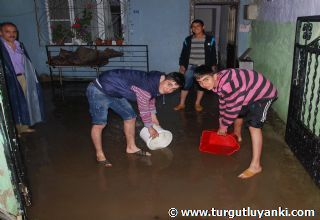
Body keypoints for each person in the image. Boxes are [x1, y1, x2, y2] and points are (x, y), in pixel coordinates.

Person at [86, 69, 184, 167]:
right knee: (99, 124)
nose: (169, 90)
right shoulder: (146, 87)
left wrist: (153, 116)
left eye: (174, 89)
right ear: (165, 79)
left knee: (130, 117)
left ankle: (131, 147)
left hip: (114, 91)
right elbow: (144, 109)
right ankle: (99, 154)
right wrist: (150, 127)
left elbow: (152, 97)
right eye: (169, 85)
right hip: (99, 90)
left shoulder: (159, 79)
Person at [194, 65, 278, 179]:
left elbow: (232, 109)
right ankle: (237, 135)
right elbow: (224, 103)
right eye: (200, 82)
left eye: (206, 80)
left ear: (215, 76)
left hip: (264, 94)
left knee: (254, 125)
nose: (203, 84)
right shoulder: (216, 83)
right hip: (247, 92)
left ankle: (256, 166)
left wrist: (223, 126)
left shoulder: (228, 85)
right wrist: (221, 122)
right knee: (237, 110)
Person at [0, 22, 44, 135]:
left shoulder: (19, 45)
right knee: (13, 104)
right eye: (7, 31)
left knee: (24, 102)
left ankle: (23, 126)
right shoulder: (2, 48)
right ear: (1, 33)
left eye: (14, 31)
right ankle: (14, 131)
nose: (12, 34)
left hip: (23, 78)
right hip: (9, 80)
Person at [174, 19, 217, 112]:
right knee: (185, 85)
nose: (195, 28)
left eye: (198, 26)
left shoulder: (210, 39)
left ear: (203, 27)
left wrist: (213, 67)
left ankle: (197, 104)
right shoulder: (188, 40)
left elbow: (213, 54)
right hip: (190, 66)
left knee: (201, 85)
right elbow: (183, 53)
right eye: (193, 26)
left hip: (203, 67)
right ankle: (181, 104)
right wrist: (182, 65)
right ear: (191, 28)